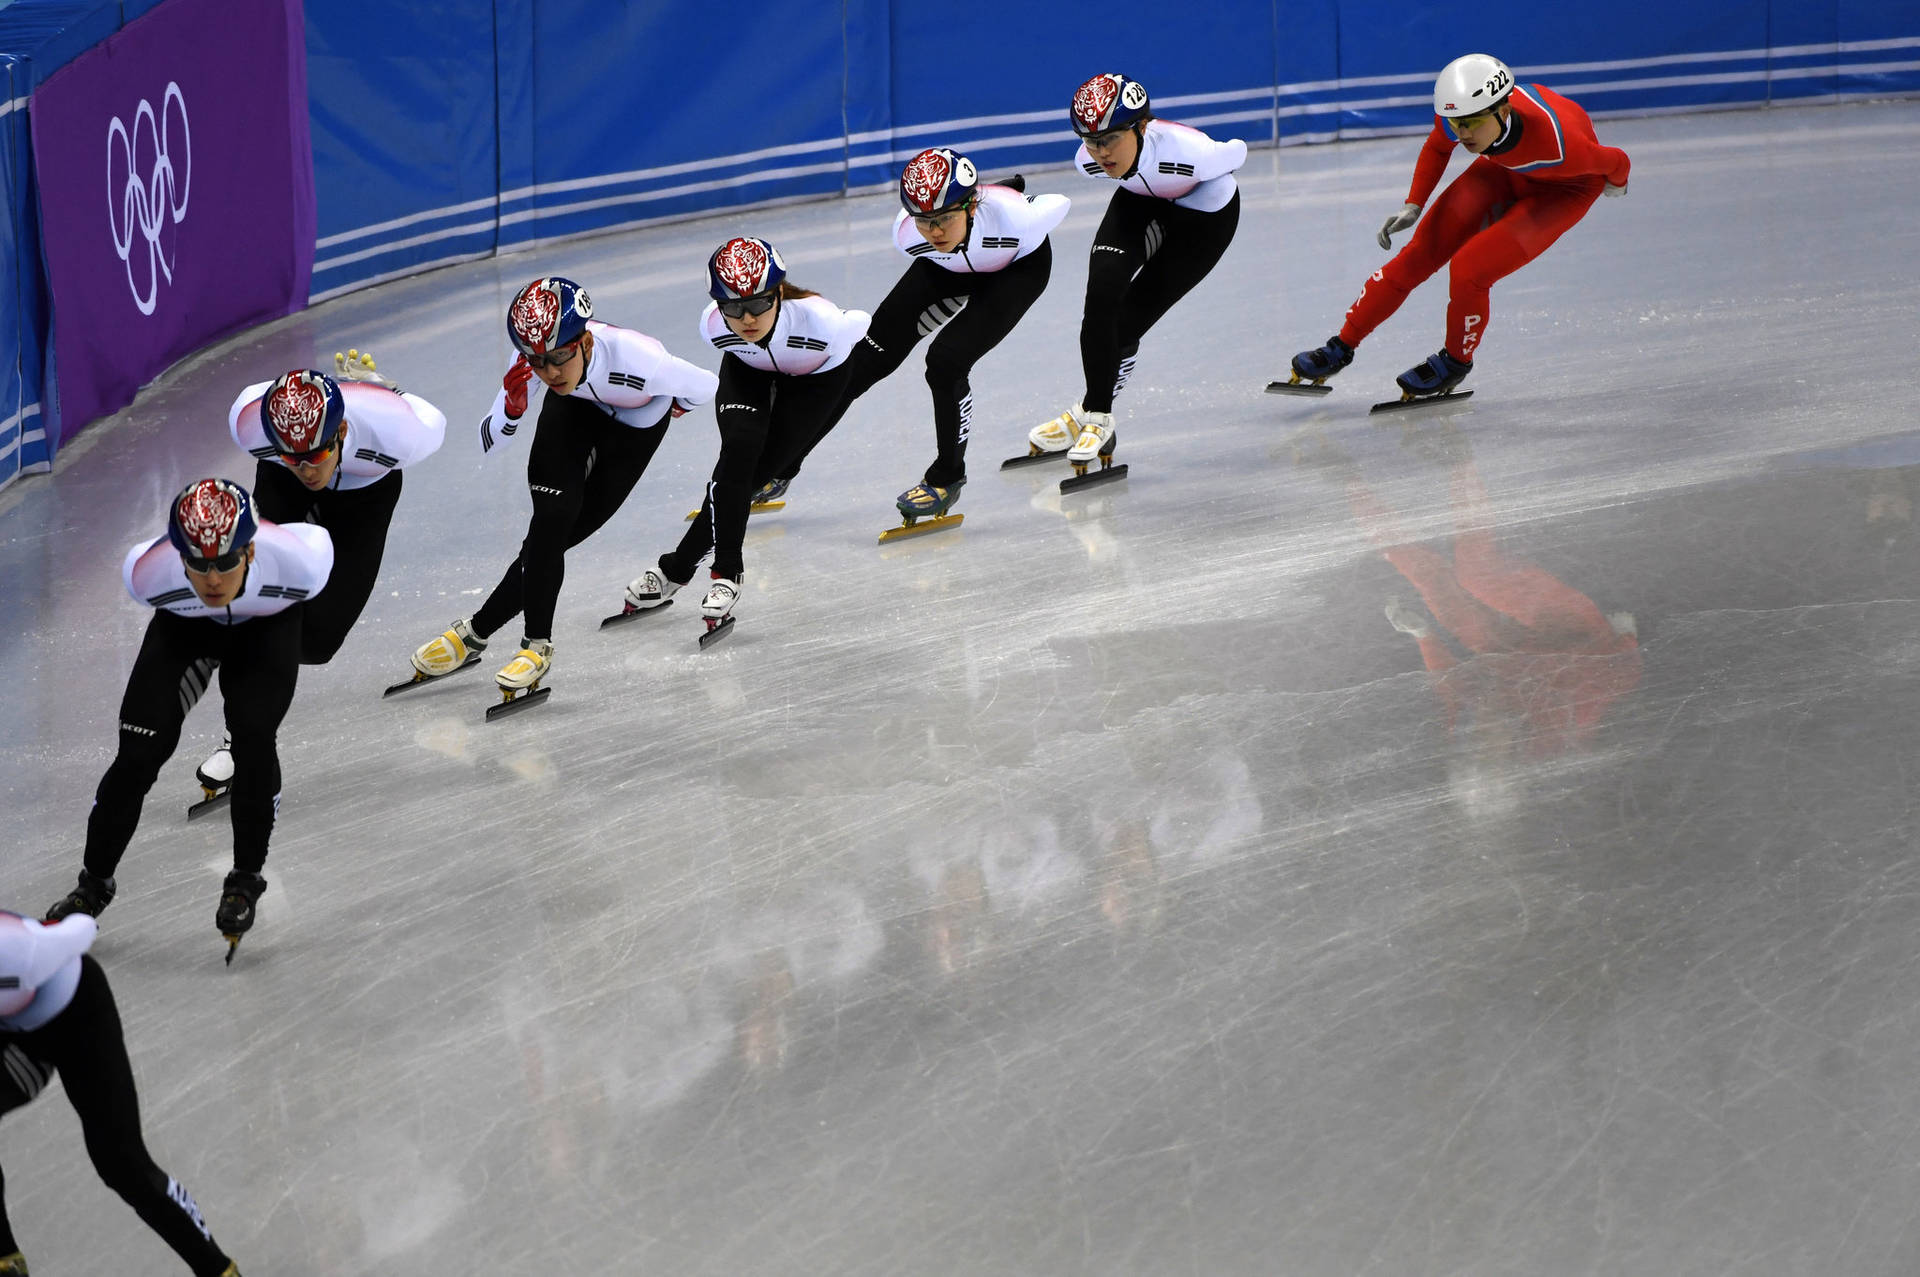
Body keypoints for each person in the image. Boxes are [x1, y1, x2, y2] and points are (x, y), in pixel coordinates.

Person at [44, 478, 334, 956]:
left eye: (225, 562)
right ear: (180, 559)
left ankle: (245, 878)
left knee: (254, 735)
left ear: (251, 553)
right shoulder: (146, 574)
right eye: (198, 565)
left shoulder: (301, 564)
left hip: (267, 626)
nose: (213, 579)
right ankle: (92, 886)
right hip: (185, 630)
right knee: (136, 757)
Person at [406, 276, 718, 697]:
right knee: (549, 525)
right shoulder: (539, 366)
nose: (549, 370)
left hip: (634, 432)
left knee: (553, 540)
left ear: (585, 342)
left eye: (558, 357)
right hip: (572, 412)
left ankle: (475, 633)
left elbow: (706, 386)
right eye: (536, 361)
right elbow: (490, 442)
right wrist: (513, 410)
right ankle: (536, 647)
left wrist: (675, 405)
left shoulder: (642, 361)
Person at [1289, 53, 1631, 400]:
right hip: (1504, 168)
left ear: (1505, 112)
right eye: (1455, 123)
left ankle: (1455, 362)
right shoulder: (1464, 111)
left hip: (1565, 188)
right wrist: (1413, 204)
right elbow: (1437, 148)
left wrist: (1618, 183)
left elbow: (1618, 160)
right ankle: (1339, 347)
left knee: (1470, 269)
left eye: (1471, 122)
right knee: (1419, 254)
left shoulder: (1562, 145)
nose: (1463, 133)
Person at [766, 147, 1069, 525]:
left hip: (1017, 271)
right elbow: (933, 233)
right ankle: (779, 469)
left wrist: (1002, 192)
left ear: (971, 206)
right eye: (923, 220)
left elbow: (1060, 200)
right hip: (948, 268)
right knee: (858, 365)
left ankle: (947, 476)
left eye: (943, 218)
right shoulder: (909, 236)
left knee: (945, 362)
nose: (934, 230)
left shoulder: (1019, 218)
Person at [189, 363, 445, 792]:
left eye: (316, 455)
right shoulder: (252, 423)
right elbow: (293, 450)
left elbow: (432, 419)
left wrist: (388, 392)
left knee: (319, 642)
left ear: (341, 431)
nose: (307, 468)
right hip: (280, 486)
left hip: (367, 494)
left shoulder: (400, 433)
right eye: (295, 456)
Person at [620, 238, 868, 627]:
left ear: (779, 294)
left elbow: (863, 324)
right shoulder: (713, 326)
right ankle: (726, 574)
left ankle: (677, 568)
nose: (747, 319)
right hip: (748, 372)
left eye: (758, 304)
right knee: (736, 459)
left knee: (754, 476)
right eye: (734, 307)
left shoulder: (824, 323)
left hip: (816, 381)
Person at [0, 912, 242, 1276]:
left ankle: (218, 1270)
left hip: (77, 1015)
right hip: (16, 1023)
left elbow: (78, 930)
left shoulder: (23, 951)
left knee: (122, 1164)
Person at [1028, 73, 1245, 471]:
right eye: (1090, 141)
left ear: (1142, 125)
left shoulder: (1194, 152)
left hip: (1205, 221)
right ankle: (1097, 416)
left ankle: (1089, 413)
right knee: (1101, 298)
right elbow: (1119, 168)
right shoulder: (1088, 162)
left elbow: (1238, 152)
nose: (1100, 152)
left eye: (1110, 138)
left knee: (1127, 324)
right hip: (1142, 202)